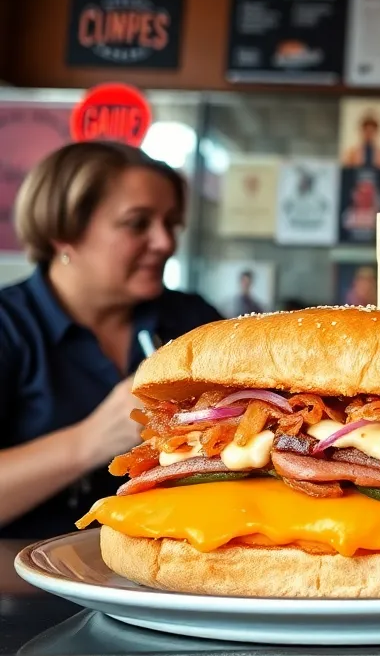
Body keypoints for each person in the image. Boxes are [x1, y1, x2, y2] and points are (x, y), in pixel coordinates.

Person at [0, 142, 221, 538]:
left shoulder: (193, 320)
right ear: (63, 231)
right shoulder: (9, 326)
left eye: (171, 224)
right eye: (138, 223)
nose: (165, 243)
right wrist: (91, 441)